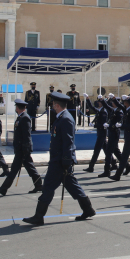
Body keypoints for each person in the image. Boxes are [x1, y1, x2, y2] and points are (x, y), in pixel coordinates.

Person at [22, 92, 95, 225]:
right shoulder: (61, 117)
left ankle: (39, 216)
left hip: (60, 161)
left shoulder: (66, 118)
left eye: (54, 105)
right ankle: (88, 209)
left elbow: (68, 141)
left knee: (48, 187)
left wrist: (66, 160)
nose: (53, 107)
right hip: (59, 159)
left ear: (57, 105)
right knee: (72, 186)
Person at [0, 98, 43, 195]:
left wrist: (25, 149)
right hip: (21, 149)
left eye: (16, 106)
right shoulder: (21, 117)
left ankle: (4, 189)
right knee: (30, 168)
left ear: (18, 108)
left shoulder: (25, 118)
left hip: (23, 149)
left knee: (15, 170)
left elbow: (26, 135)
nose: (15, 108)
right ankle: (39, 185)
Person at [84, 95, 109, 173]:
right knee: (106, 150)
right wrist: (88, 99)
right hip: (100, 133)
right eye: (98, 101)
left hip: (102, 133)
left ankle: (91, 166)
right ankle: (114, 163)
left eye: (100, 102)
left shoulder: (104, 111)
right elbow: (91, 107)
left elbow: (103, 124)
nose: (98, 103)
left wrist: (94, 125)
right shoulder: (99, 110)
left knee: (97, 150)